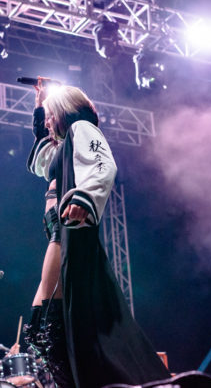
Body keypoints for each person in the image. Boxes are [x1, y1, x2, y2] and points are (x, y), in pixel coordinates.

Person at [24, 81, 170, 388]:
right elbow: (41, 164)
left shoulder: (82, 129)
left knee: (51, 329)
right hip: (60, 239)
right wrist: (39, 109)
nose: (48, 122)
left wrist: (85, 197)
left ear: (64, 111)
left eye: (51, 116)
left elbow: (104, 165)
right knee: (45, 330)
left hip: (68, 237)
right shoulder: (63, 147)